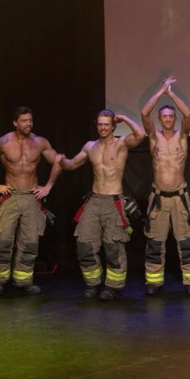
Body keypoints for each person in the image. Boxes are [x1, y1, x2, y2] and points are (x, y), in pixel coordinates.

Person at [0, 106, 62, 296]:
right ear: (15, 122)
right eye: (24, 120)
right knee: (3, 240)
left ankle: (23, 281)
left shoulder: (40, 142)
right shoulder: (3, 142)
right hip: (10, 196)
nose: (28, 123)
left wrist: (48, 186)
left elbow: (58, 160)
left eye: (30, 120)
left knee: (30, 242)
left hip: (32, 198)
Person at [61, 109, 146, 300]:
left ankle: (113, 286)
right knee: (84, 243)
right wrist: (60, 160)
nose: (103, 127)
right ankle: (93, 283)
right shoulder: (90, 146)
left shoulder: (121, 143)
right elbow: (72, 164)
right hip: (94, 200)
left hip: (113, 201)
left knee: (113, 246)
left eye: (107, 124)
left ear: (113, 126)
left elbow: (141, 135)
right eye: (100, 124)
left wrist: (124, 118)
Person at [140, 75, 190, 296]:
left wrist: (172, 94)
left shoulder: (182, 137)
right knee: (155, 242)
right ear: (160, 118)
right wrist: (161, 91)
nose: (167, 119)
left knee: (186, 240)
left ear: (174, 119)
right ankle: (154, 282)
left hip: (179, 197)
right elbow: (144, 114)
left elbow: (188, 114)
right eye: (164, 116)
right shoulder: (153, 138)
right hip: (158, 197)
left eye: (170, 116)